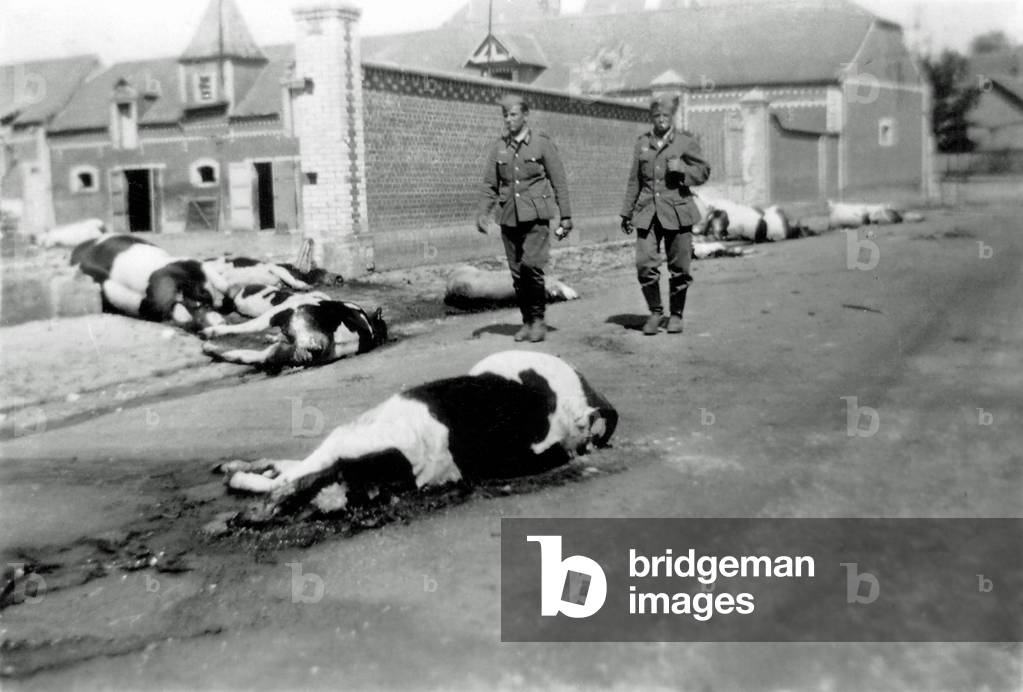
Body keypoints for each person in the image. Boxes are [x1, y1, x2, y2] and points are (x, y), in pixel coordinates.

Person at [477, 94, 572, 343]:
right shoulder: (499, 147)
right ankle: (527, 321)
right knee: (518, 273)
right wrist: (483, 212)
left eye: (513, 114)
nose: (508, 120)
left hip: (536, 217)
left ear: (525, 115)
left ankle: (538, 320)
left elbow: (559, 181)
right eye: (505, 115)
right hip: (508, 217)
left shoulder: (541, 144)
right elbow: (490, 184)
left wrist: (566, 216)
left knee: (532, 267)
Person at [619, 95, 710, 335]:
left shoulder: (685, 142)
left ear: (672, 117)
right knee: (644, 264)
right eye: (656, 116)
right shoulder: (642, 143)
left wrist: (682, 170)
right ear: (652, 118)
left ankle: (676, 314)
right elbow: (634, 180)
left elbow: (703, 172)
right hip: (647, 212)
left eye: (665, 116)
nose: (660, 120)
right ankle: (656, 312)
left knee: (679, 266)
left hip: (678, 211)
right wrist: (626, 213)